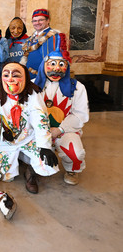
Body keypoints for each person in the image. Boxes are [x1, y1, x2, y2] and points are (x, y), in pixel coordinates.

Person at [0, 62, 59, 194]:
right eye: (6, 75)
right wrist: (3, 133)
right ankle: (19, 158)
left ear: (25, 78)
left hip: (28, 138)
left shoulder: (33, 95)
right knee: (3, 177)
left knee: (46, 164)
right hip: (7, 142)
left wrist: (45, 146)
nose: (10, 79)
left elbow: (40, 120)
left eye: (15, 75)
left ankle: (31, 170)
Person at [33, 49, 89, 185]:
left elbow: (80, 115)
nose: (57, 68)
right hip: (37, 132)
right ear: (44, 65)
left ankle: (72, 170)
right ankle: (33, 167)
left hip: (64, 131)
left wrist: (59, 130)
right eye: (52, 64)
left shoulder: (77, 88)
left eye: (61, 64)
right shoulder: (31, 84)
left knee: (74, 152)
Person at [21, 9, 63, 78]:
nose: (37, 23)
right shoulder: (31, 37)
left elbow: (52, 61)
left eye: (41, 20)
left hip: (43, 78)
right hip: (29, 76)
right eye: (34, 21)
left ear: (48, 20)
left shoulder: (52, 36)